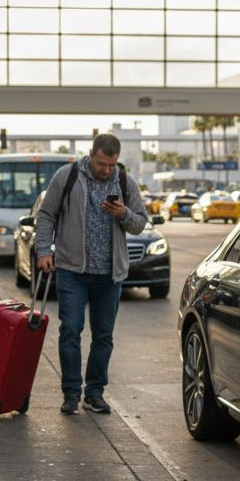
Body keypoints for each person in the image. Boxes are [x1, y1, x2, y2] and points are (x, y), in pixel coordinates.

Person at [34, 133, 148, 415]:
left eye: (112, 165)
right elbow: (46, 214)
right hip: (72, 270)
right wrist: (43, 251)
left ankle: (94, 393)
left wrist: (123, 214)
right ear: (91, 154)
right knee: (70, 330)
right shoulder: (68, 175)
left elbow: (141, 223)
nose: (107, 170)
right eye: (101, 164)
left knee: (104, 336)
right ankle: (71, 393)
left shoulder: (124, 182)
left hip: (109, 275)